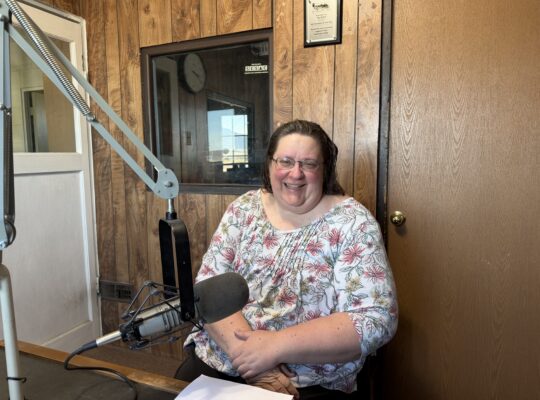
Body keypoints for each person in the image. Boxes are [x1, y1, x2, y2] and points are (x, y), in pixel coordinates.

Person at [176, 120, 398, 399]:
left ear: (325, 169)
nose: (296, 173)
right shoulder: (243, 209)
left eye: (309, 163)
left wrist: (273, 347)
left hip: (305, 382)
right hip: (223, 358)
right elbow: (207, 289)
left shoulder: (353, 224)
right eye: (286, 161)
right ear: (270, 165)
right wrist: (253, 363)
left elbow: (375, 319)